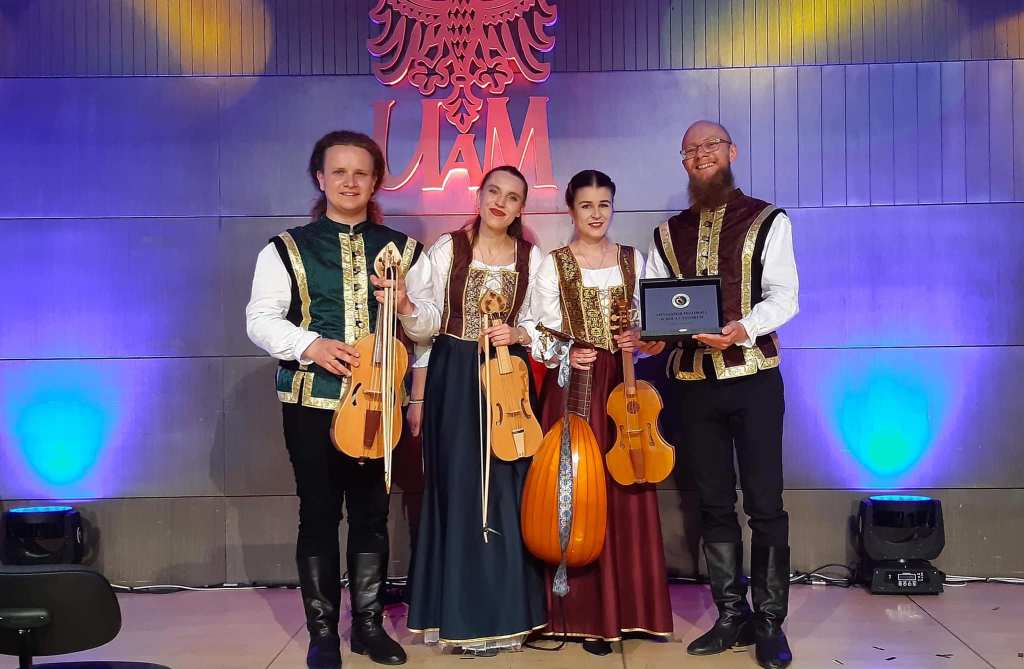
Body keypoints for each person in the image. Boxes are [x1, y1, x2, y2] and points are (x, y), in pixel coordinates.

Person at [246, 130, 438, 669]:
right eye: (339, 172)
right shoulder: (287, 248)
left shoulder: (404, 251)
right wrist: (310, 344)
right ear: (320, 178)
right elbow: (259, 318)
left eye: (361, 173)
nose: (350, 182)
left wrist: (406, 306)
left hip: (379, 405)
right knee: (319, 513)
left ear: (375, 182)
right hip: (312, 402)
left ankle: (369, 627)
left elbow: (427, 329)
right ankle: (323, 633)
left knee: (372, 514)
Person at [643, 121, 799, 669]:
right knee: (712, 502)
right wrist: (651, 336)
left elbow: (785, 296)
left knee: (765, 502)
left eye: (710, 145)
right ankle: (731, 614)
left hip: (753, 378)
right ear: (683, 162)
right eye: (690, 150)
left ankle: (770, 622)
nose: (700, 155)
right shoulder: (667, 234)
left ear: (732, 151)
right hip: (692, 385)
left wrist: (741, 329)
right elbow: (657, 306)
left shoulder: (767, 219)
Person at [530, 170, 674, 655]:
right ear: (571, 210)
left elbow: (655, 325)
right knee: (577, 487)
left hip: (622, 384)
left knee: (626, 481)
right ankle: (581, 613)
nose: (596, 214)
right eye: (586, 205)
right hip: (575, 386)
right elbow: (535, 326)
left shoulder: (634, 260)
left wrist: (641, 338)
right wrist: (566, 350)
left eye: (604, 204)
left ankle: (630, 610)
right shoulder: (553, 264)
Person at [406, 165, 547, 655]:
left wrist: (520, 332)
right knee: (460, 489)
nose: (500, 203)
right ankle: (458, 616)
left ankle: (508, 615)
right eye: (493, 192)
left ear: (521, 207)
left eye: (512, 197)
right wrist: (405, 306)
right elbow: (425, 325)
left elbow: (545, 323)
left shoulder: (531, 258)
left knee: (507, 489)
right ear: (480, 195)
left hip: (508, 380)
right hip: (454, 376)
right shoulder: (448, 249)